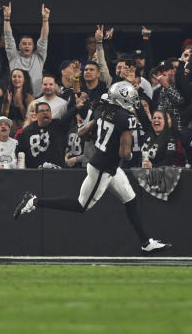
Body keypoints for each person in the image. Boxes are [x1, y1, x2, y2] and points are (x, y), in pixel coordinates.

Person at [14, 81, 172, 254]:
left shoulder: (102, 108)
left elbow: (82, 132)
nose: (134, 100)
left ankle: (146, 242)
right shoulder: (125, 119)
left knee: (131, 200)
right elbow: (124, 152)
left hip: (106, 164)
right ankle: (35, 201)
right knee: (81, 206)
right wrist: (131, 155)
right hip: (102, 168)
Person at [2, 2, 50, 96]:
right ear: (19, 46)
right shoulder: (14, 56)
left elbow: (44, 39)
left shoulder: (39, 56)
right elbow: (8, 38)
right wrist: (6, 18)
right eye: (24, 44)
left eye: (29, 44)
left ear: (33, 46)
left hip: (37, 97)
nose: (27, 46)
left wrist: (45, 20)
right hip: (17, 97)